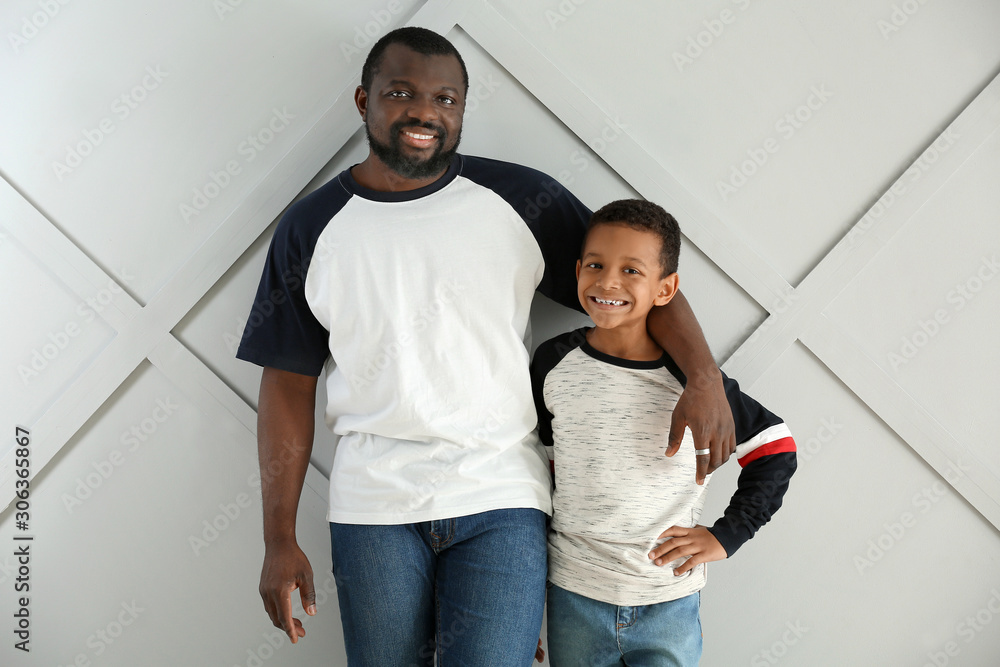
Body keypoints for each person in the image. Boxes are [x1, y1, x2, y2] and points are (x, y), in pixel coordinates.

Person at [236, 27, 736, 665]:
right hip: (374, 506)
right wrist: (278, 537)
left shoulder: (521, 199)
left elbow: (636, 276)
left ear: (462, 112)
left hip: (501, 499)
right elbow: (286, 382)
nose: (424, 112)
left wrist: (703, 378)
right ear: (363, 102)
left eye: (446, 99)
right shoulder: (311, 228)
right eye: (401, 93)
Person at [530, 199, 797, 666]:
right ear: (577, 271)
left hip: (668, 598)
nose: (608, 281)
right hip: (573, 593)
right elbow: (540, 472)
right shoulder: (552, 364)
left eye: (632, 270)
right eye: (595, 264)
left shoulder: (698, 384)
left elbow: (776, 446)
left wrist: (729, 534)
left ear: (665, 288)